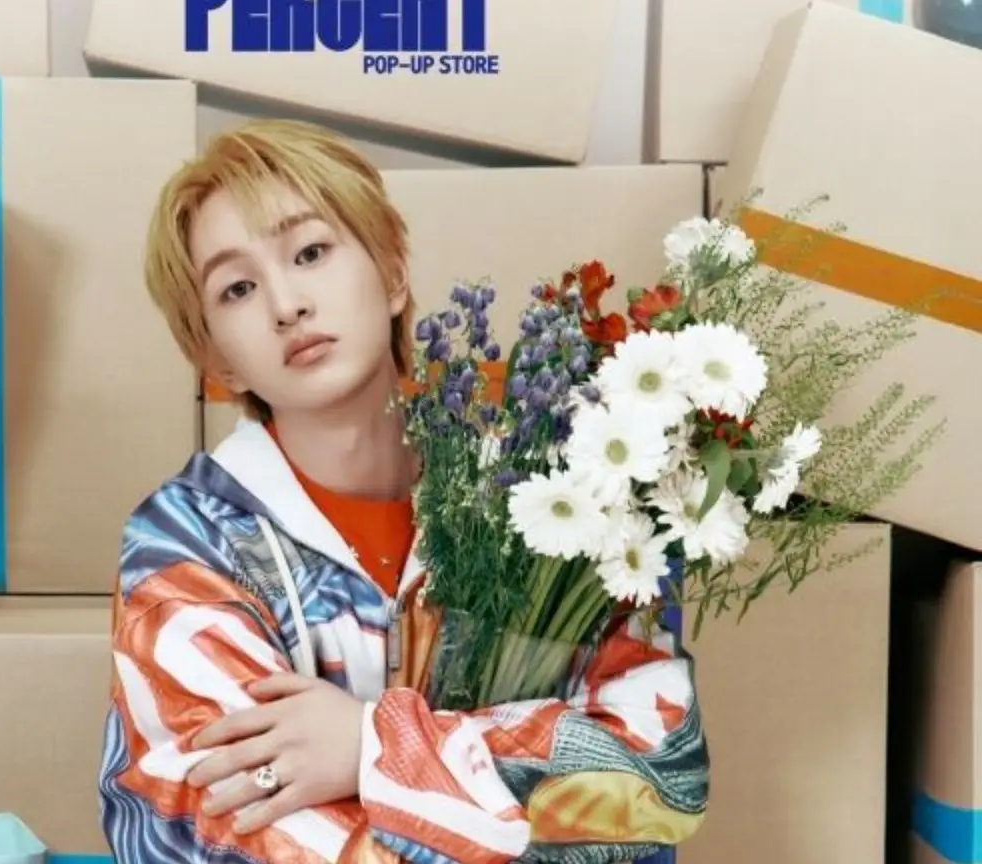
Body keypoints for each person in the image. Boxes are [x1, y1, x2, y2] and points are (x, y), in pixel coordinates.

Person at [98, 119, 710, 864]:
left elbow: (658, 782)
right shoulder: (187, 548)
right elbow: (217, 834)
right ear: (216, 360)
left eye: (311, 252)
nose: (286, 304)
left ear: (391, 273)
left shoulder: (551, 504)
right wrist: (511, 785)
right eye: (238, 288)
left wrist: (369, 746)